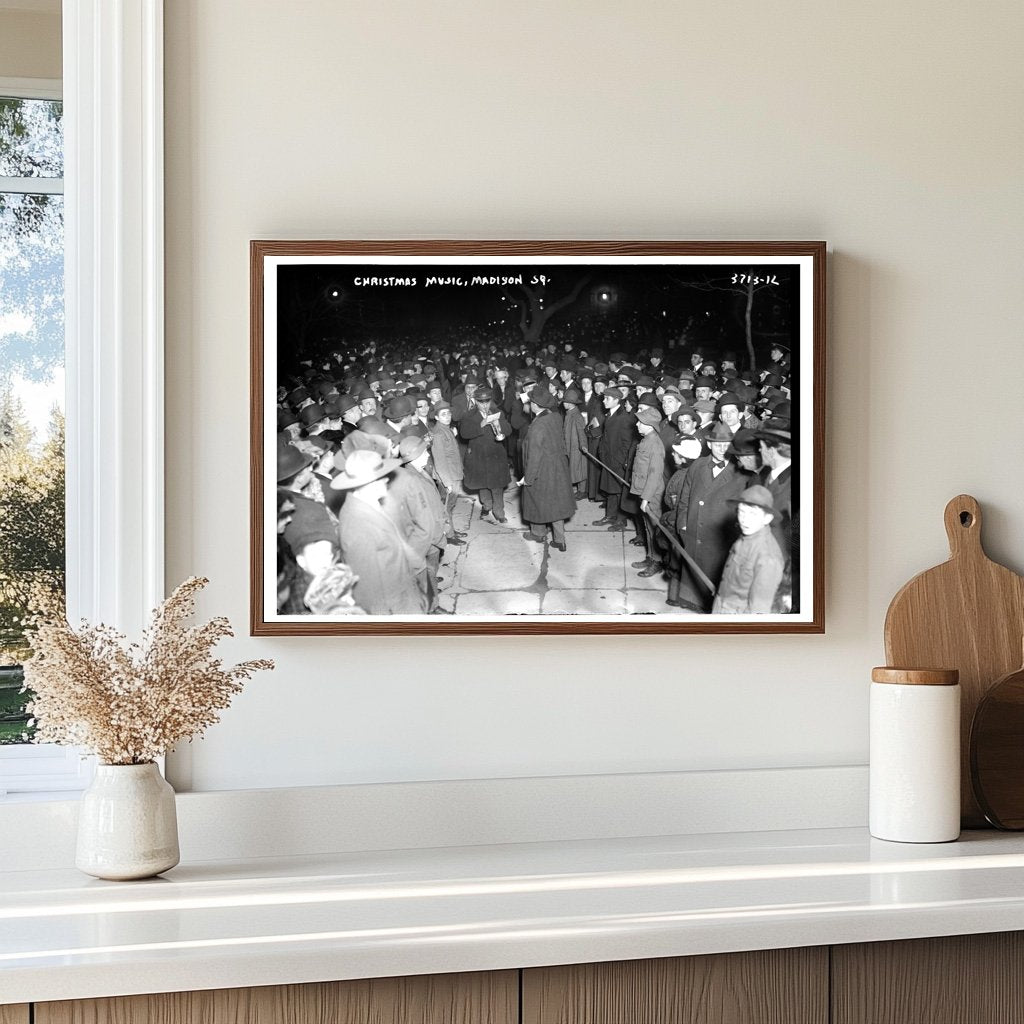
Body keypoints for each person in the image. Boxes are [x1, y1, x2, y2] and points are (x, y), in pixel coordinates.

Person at [331, 449, 427, 615]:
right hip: (394, 609)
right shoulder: (358, 526)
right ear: (367, 483)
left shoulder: (368, 504)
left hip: (404, 593)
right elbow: (369, 592)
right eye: (381, 477)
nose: (386, 480)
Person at [670, 422, 747, 611]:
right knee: (692, 572)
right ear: (709, 444)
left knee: (712, 576)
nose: (722, 448)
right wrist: (683, 524)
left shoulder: (741, 473)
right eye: (717, 444)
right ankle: (690, 601)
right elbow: (685, 498)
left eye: (726, 444)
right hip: (693, 530)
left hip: (718, 538)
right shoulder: (697, 465)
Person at [388, 435, 448, 610]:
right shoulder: (413, 480)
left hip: (432, 533)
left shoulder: (416, 471)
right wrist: (440, 535)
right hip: (429, 538)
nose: (428, 455)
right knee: (427, 571)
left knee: (430, 572)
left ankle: (431, 591)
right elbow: (425, 516)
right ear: (415, 457)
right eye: (425, 452)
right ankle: (432, 607)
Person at [520, 384, 577, 550]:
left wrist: (528, 478)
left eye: (530, 402)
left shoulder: (538, 425)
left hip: (542, 470)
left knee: (536, 500)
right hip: (558, 469)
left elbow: (534, 455)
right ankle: (560, 539)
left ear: (535, 405)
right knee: (556, 504)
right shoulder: (555, 416)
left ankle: (537, 533)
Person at [712, 485, 785, 614]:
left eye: (753, 513)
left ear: (767, 518)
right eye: (741, 511)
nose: (745, 520)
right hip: (720, 606)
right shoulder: (747, 536)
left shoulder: (768, 557)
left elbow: (758, 610)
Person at [459, 385, 512, 522]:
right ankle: (486, 505)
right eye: (481, 403)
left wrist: (499, 426)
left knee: (497, 485)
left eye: (487, 402)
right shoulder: (468, 415)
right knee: (482, 484)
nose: (485, 405)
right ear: (476, 402)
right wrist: (480, 425)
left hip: (495, 453)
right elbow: (464, 434)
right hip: (478, 455)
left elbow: (509, 430)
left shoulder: (497, 412)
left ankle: (499, 511)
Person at [629, 405, 667, 578]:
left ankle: (657, 562)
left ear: (650, 425)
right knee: (647, 528)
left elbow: (654, 474)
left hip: (651, 494)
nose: (637, 424)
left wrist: (646, 498)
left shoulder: (655, 445)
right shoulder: (646, 439)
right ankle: (650, 557)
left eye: (640, 422)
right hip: (643, 492)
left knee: (654, 529)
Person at [594, 386, 636, 531]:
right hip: (608, 459)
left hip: (616, 462)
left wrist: (619, 461)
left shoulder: (623, 418)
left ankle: (620, 520)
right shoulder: (611, 414)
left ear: (617, 400)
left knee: (618, 490)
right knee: (611, 489)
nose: (603, 401)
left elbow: (626, 443)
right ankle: (610, 515)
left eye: (607, 399)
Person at [428, 399, 465, 546]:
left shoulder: (445, 429)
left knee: (450, 506)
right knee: (446, 507)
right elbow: (440, 461)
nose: (447, 416)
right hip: (448, 476)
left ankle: (452, 531)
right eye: (443, 414)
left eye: (448, 413)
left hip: (454, 474)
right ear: (436, 417)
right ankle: (449, 535)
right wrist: (447, 482)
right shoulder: (438, 433)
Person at [561, 387, 588, 500]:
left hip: (576, 447)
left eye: (565, 402)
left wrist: (583, 445)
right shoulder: (569, 413)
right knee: (574, 468)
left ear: (570, 403)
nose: (563, 404)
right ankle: (578, 489)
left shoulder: (576, 416)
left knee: (579, 469)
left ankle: (582, 491)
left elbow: (581, 432)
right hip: (569, 445)